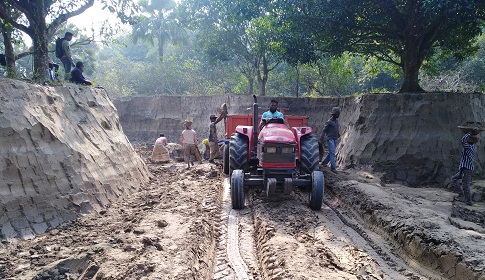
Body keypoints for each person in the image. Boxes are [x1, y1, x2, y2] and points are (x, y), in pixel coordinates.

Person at [451, 129, 479, 206]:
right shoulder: (471, 146)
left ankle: (468, 201)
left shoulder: (469, 147)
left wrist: (470, 132)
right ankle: (461, 194)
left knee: (465, 185)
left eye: (470, 138)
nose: (468, 138)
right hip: (464, 168)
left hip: (466, 169)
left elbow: (463, 140)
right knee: (454, 179)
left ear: (473, 140)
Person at [320, 107, 341, 173]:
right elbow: (324, 130)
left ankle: (324, 162)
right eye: (338, 114)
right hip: (330, 139)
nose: (338, 115)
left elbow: (336, 129)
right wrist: (322, 138)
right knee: (332, 153)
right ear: (334, 114)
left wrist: (338, 134)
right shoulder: (329, 122)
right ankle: (333, 168)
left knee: (331, 153)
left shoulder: (336, 121)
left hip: (335, 139)